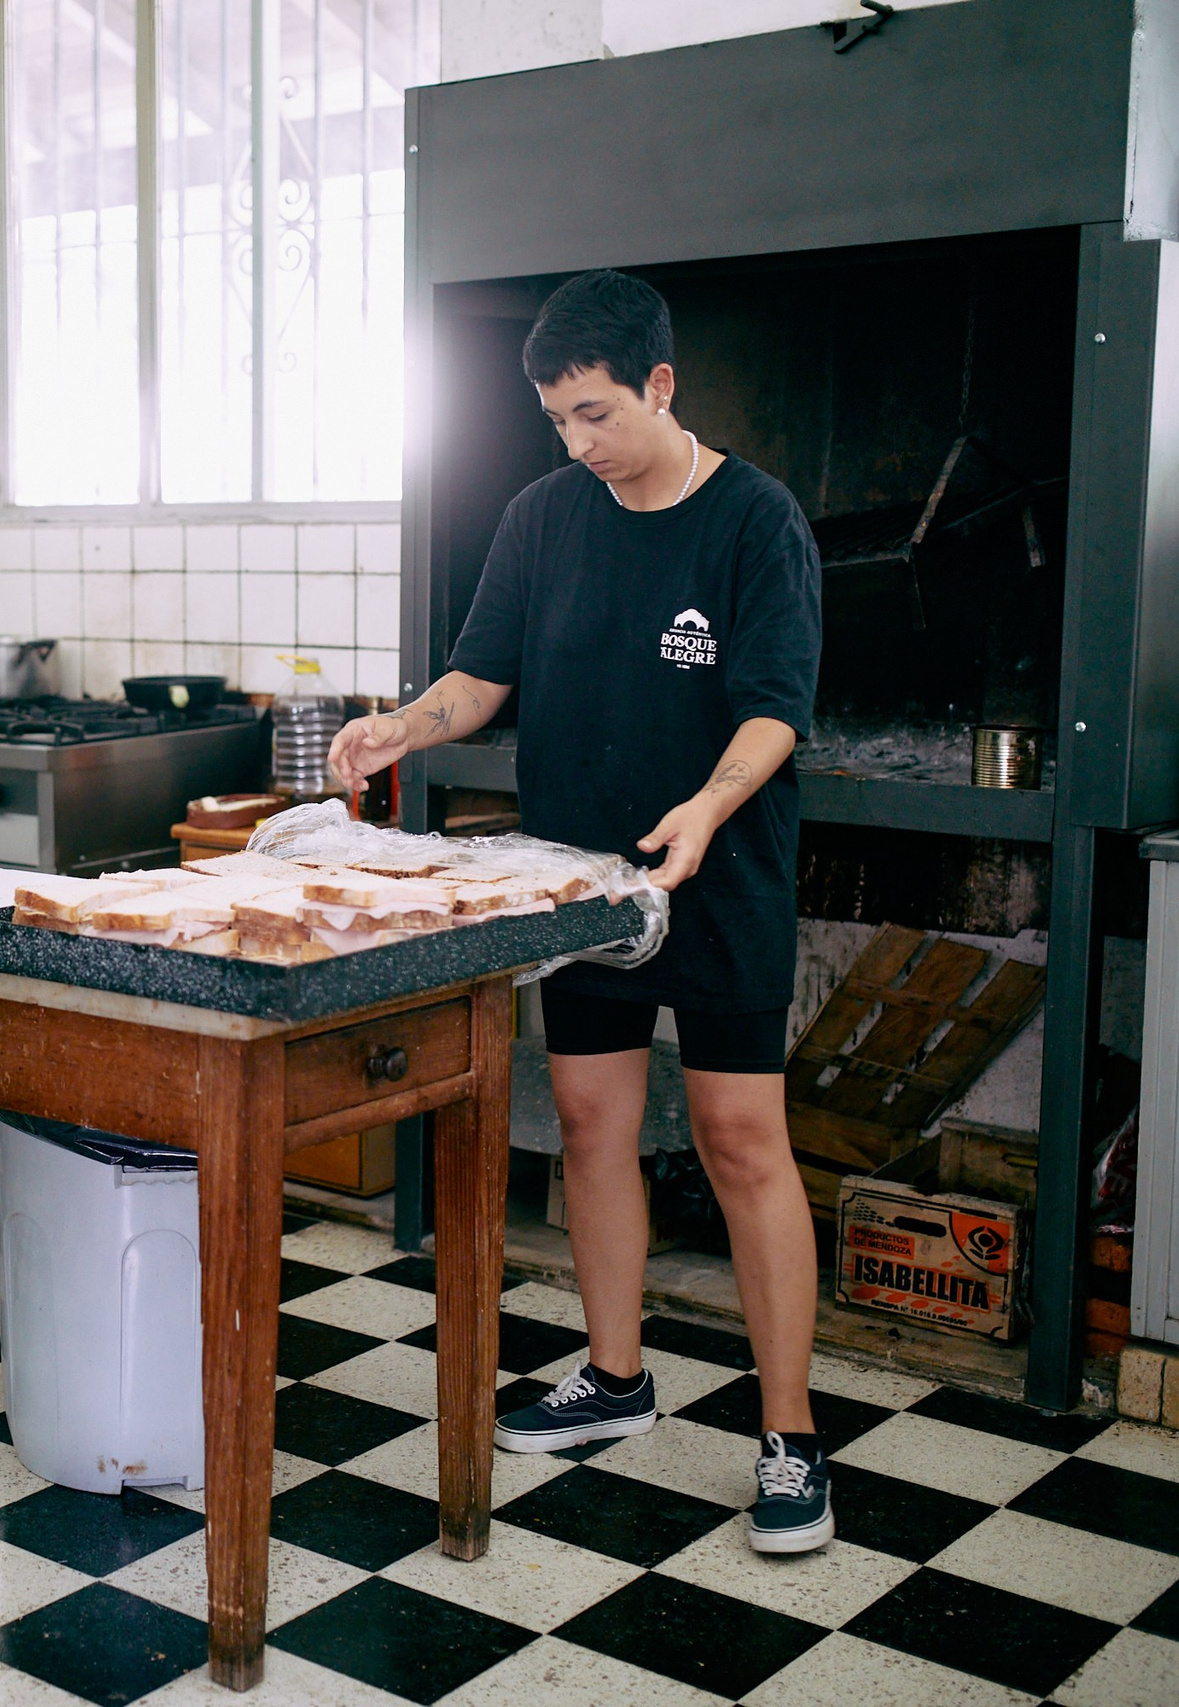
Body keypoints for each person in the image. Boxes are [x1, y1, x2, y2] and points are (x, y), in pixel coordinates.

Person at [329, 270, 830, 1553]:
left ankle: (789, 1441)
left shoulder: (755, 521)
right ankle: (616, 1379)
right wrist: (400, 721)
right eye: (557, 420)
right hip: (580, 889)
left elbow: (773, 706)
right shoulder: (545, 514)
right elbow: (478, 679)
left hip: (721, 878)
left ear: (662, 385)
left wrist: (707, 812)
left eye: (597, 415)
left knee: (738, 1142)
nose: (578, 444)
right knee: (595, 1124)